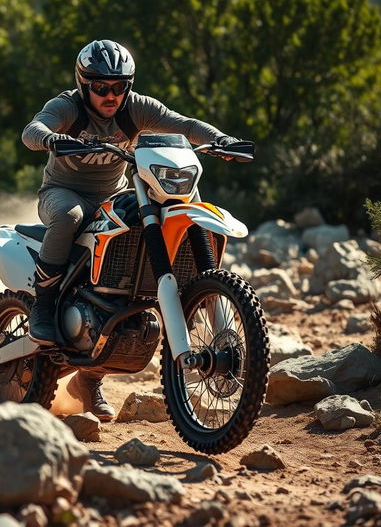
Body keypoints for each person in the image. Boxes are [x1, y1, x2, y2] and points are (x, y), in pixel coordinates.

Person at [21, 39, 241, 420]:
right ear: (83, 83)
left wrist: (219, 138)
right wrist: (52, 138)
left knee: (127, 285)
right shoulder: (67, 107)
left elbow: (185, 125)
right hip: (63, 193)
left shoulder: (137, 108)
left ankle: (89, 379)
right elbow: (32, 128)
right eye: (102, 87)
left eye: (119, 87)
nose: (111, 95)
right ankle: (44, 304)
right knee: (70, 217)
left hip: (116, 194)